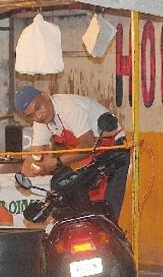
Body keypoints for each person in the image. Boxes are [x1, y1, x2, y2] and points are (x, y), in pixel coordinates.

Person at [14, 85, 128, 219]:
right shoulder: (41, 122)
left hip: (113, 152)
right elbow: (36, 154)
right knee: (78, 207)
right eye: (31, 115)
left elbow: (88, 144)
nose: (38, 116)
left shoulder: (68, 107)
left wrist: (57, 162)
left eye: (38, 107)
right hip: (89, 157)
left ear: (45, 96)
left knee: (104, 211)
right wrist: (22, 178)